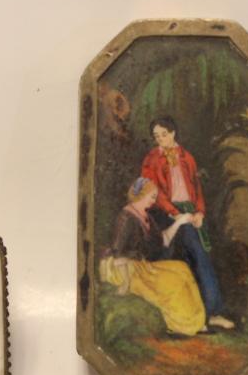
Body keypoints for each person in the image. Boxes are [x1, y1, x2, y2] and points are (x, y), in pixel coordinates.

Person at [140, 116, 232, 329]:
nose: (160, 139)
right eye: (156, 136)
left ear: (173, 133)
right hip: (164, 213)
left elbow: (196, 188)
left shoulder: (187, 157)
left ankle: (212, 312)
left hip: (190, 213)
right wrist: (173, 213)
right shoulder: (151, 159)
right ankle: (169, 316)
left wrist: (199, 212)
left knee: (200, 258)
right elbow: (152, 190)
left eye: (164, 134)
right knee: (167, 261)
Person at [99, 178, 206, 336]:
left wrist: (179, 222)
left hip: (139, 265)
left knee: (182, 269)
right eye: (152, 197)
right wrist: (126, 283)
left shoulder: (146, 216)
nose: (154, 201)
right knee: (173, 283)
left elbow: (163, 240)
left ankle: (196, 321)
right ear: (142, 195)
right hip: (121, 268)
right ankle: (181, 325)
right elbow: (119, 252)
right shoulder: (126, 217)